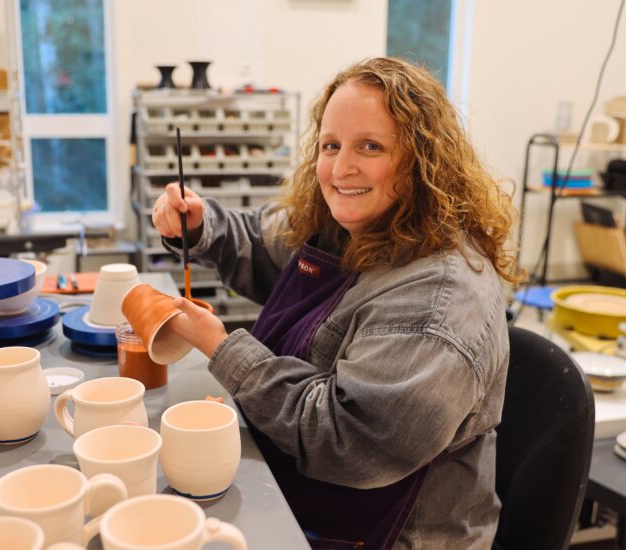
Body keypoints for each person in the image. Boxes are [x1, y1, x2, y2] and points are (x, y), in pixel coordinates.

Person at [151, 57, 520, 549]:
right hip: (304, 493)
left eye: (370, 146)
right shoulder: (352, 222)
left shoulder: (439, 301)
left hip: (388, 534)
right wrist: (199, 224)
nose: (341, 168)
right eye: (331, 145)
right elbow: (263, 244)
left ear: (423, 160)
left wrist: (221, 347)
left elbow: (347, 441)